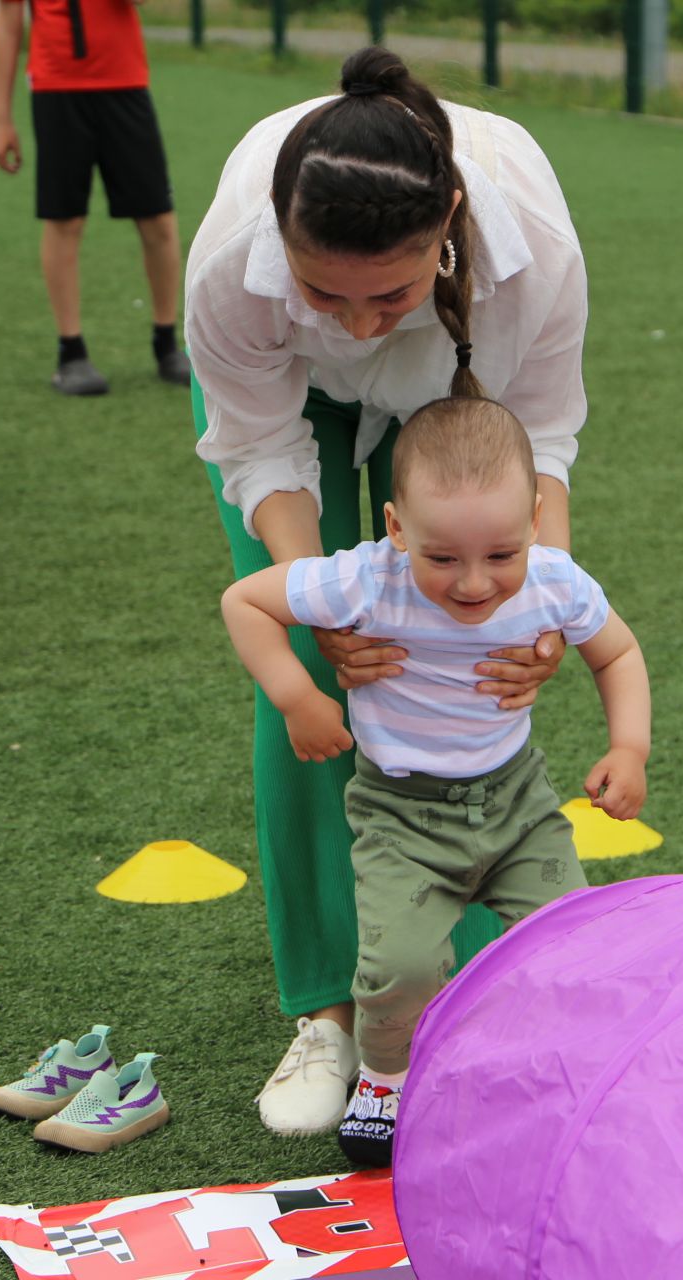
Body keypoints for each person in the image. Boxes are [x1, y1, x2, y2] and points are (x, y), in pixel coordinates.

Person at [186, 45, 592, 1139]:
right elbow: (260, 442)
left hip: (462, 404)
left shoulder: (534, 248)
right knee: (317, 667)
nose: (362, 320)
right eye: (327, 292)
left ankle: (454, 992)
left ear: (449, 223)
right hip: (293, 412)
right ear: (279, 243)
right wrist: (322, 613)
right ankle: (326, 1007)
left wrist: (537, 599)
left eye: (391, 293)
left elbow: (541, 431)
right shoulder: (232, 259)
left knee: (467, 640)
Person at [222, 397, 650, 1167]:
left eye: (501, 554)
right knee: (399, 967)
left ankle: (569, 1070)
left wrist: (630, 748)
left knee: (571, 942)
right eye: (443, 558)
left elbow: (616, 653)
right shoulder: (366, 580)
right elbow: (245, 600)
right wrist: (298, 696)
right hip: (402, 813)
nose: (475, 583)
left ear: (536, 518)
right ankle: (385, 1078)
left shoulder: (554, 579)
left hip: (517, 805)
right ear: (394, 527)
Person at [0, 0, 189, 394]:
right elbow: (8, 22)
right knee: (65, 220)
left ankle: (167, 342)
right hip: (56, 90)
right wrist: (2, 118)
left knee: (158, 219)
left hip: (126, 84)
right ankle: (71, 351)